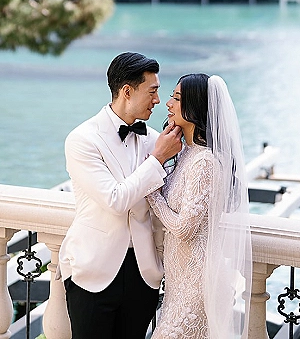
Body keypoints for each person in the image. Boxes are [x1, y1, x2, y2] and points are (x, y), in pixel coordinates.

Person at [59, 52, 183, 339]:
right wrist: (157, 159)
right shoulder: (82, 139)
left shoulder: (155, 139)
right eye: (152, 91)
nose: (158, 100)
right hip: (93, 271)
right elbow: (115, 200)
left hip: (143, 272)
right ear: (127, 91)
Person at [147, 73, 251, 339]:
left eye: (177, 98)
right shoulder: (186, 153)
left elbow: (184, 229)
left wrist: (151, 193)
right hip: (179, 281)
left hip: (198, 284)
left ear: (195, 107)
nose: (168, 103)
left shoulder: (205, 162)